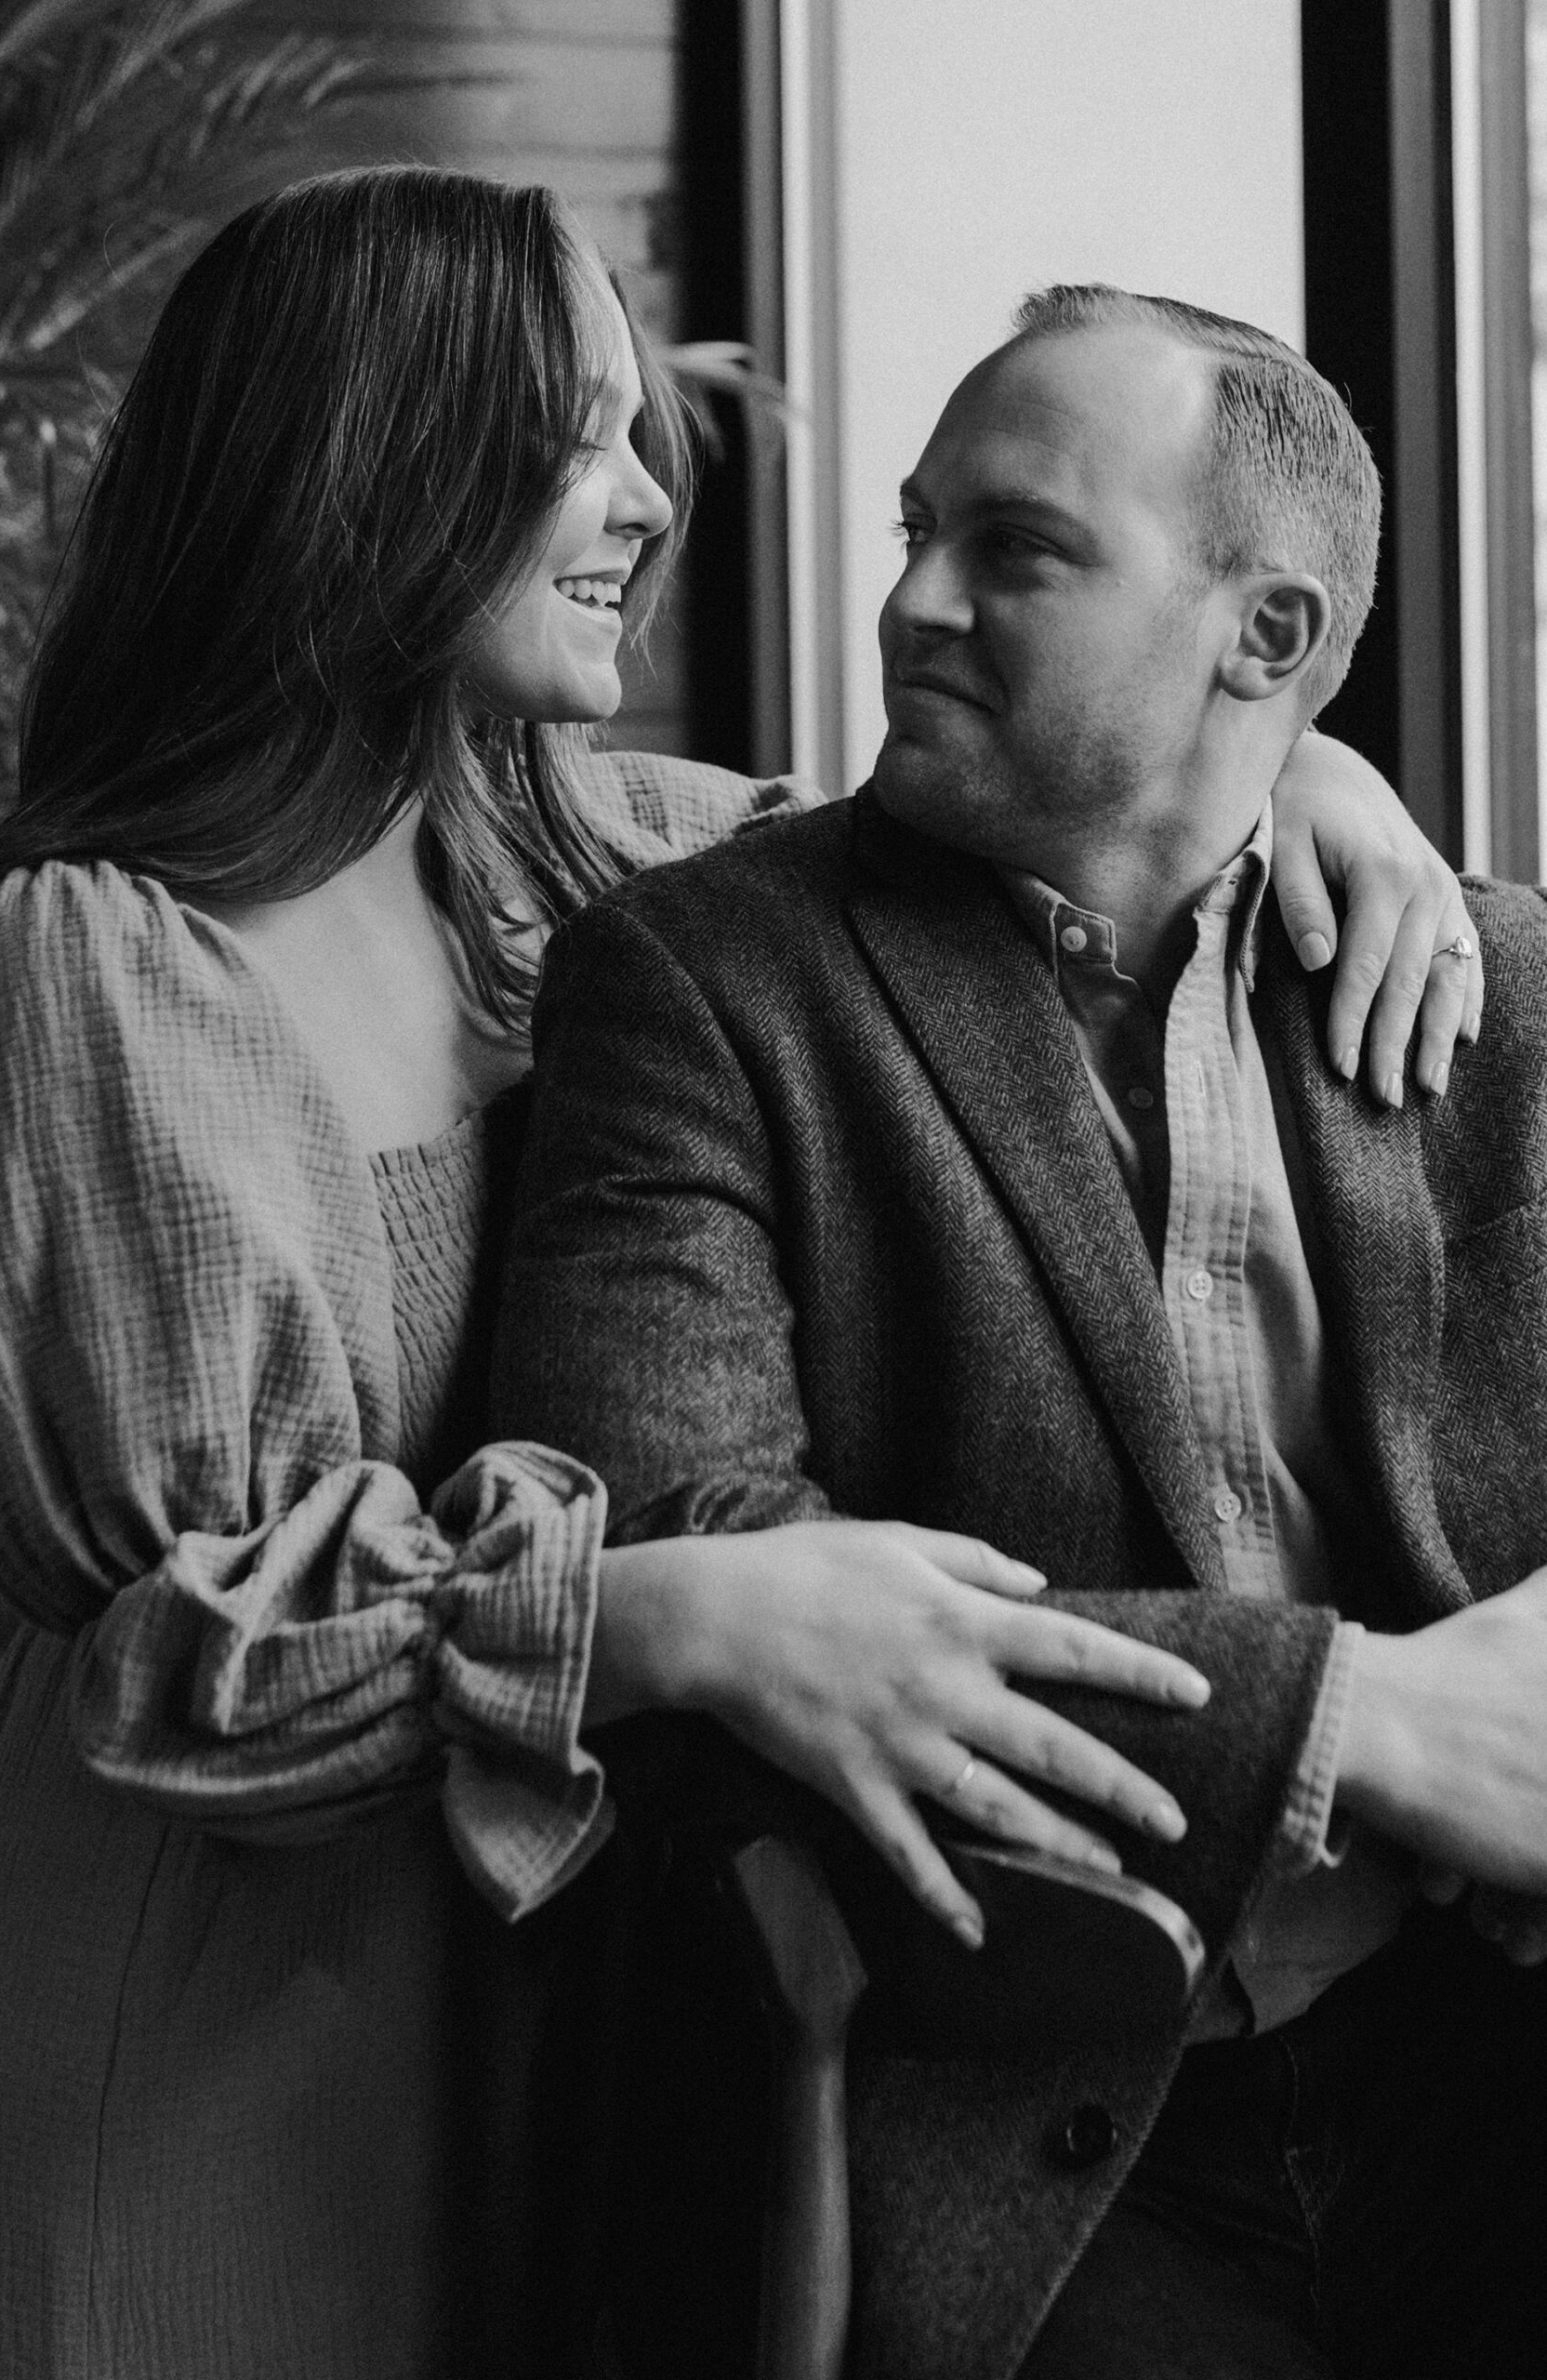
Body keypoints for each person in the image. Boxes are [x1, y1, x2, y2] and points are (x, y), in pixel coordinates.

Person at [0, 176, 1395, 2380]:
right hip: (210, 2022)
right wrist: (674, 1607)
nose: (644, 501)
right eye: (583, 439)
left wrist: (1315, 779)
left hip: (536, 1997)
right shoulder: (87, 961)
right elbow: (191, 1664)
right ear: (380, 456)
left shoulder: (583, 850)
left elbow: (1074, 789)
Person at [490, 284, 1547, 2380]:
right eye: (914, 527)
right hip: (1023, 2114)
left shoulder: (1495, 988)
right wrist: (1370, 1729)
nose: (910, 600)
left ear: (1265, 641)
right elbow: (708, 1542)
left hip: (1480, 2064)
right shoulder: (700, 983)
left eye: (1019, 548)